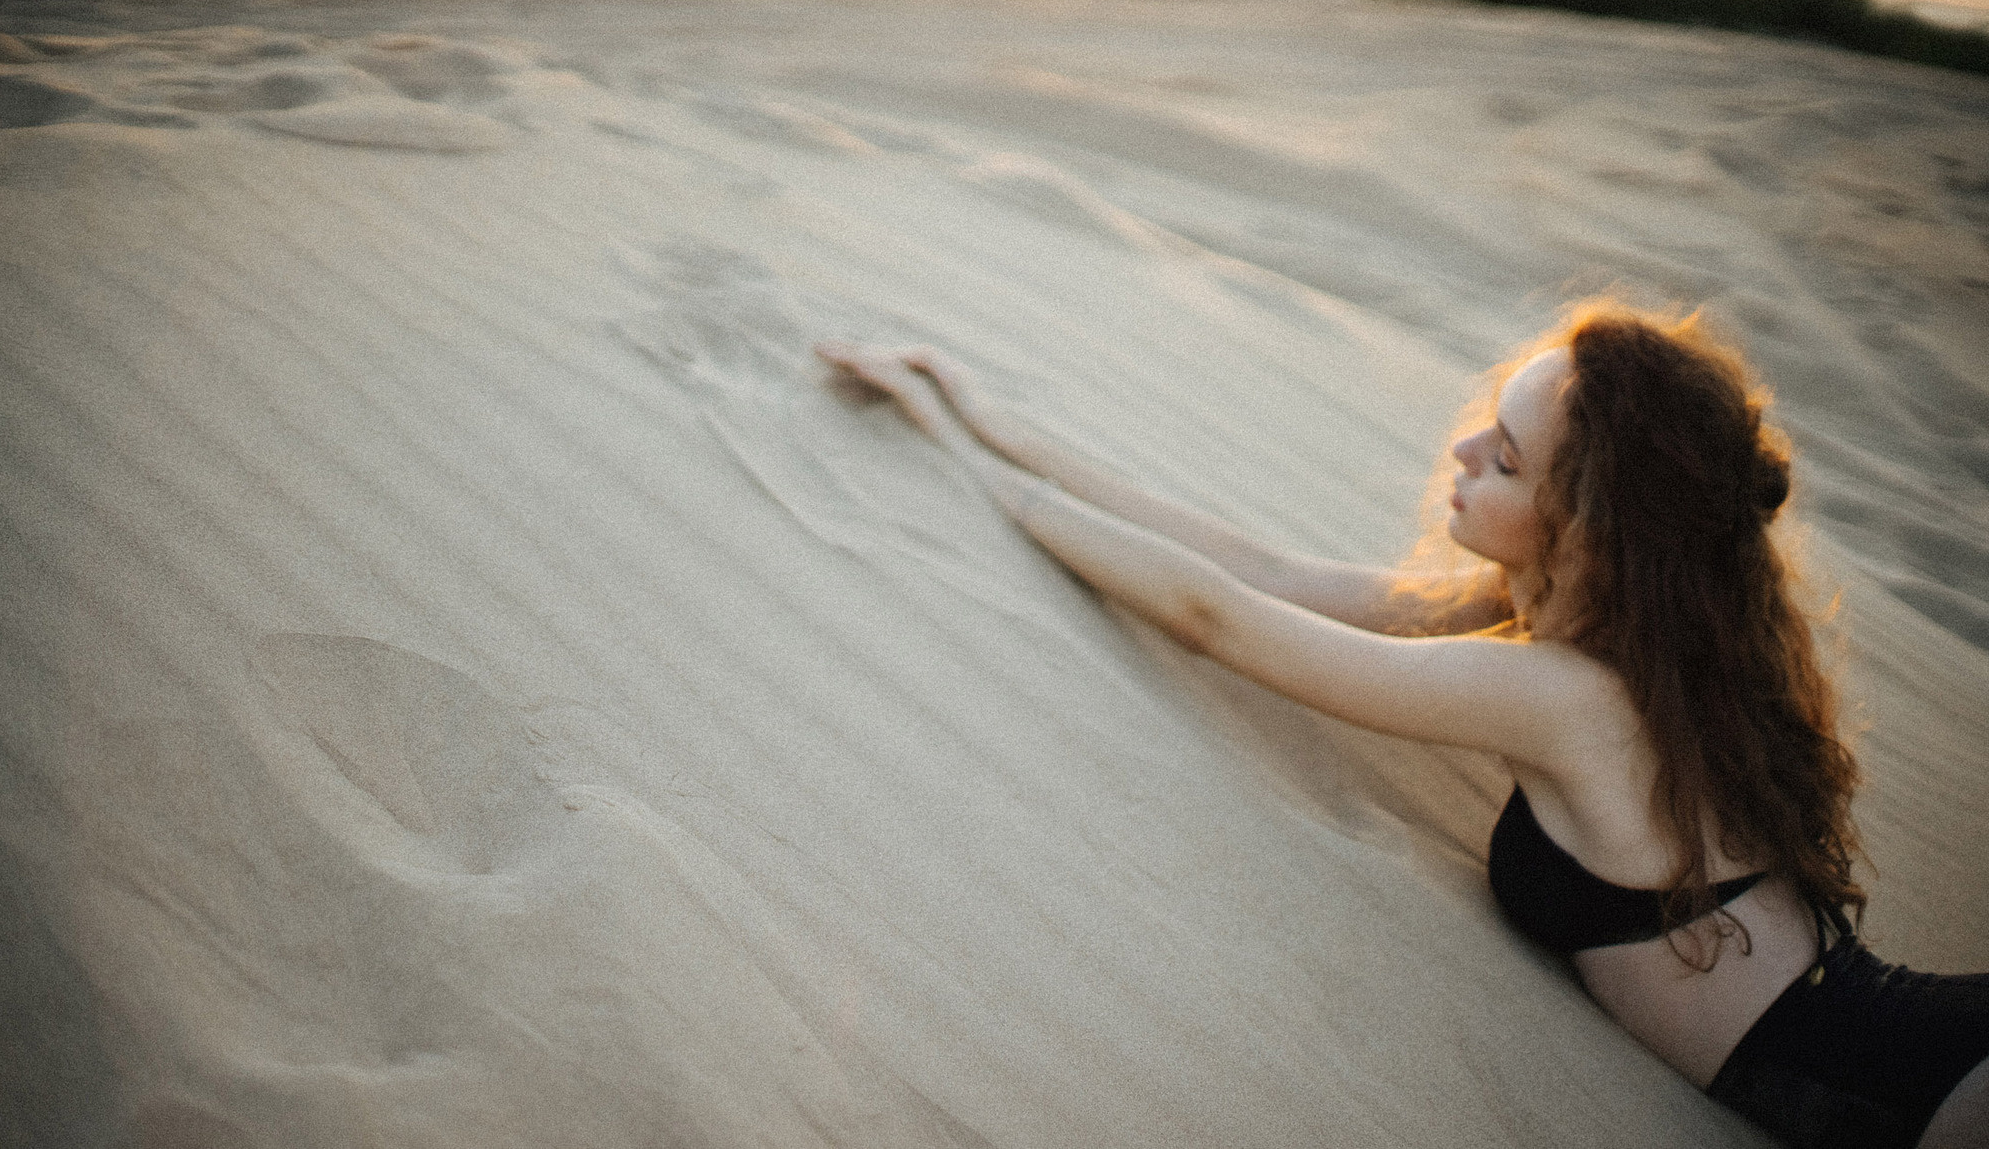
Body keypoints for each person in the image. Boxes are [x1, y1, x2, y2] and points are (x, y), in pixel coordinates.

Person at [815, 301, 1989, 1149]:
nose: (1465, 455)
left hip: (1919, 1089)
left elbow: (1211, 616)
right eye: (1489, 423)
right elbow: (1257, 566)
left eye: (1508, 458)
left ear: (1581, 525)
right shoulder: (1577, 625)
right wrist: (979, 415)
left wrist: (965, 478)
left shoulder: (1565, 694)